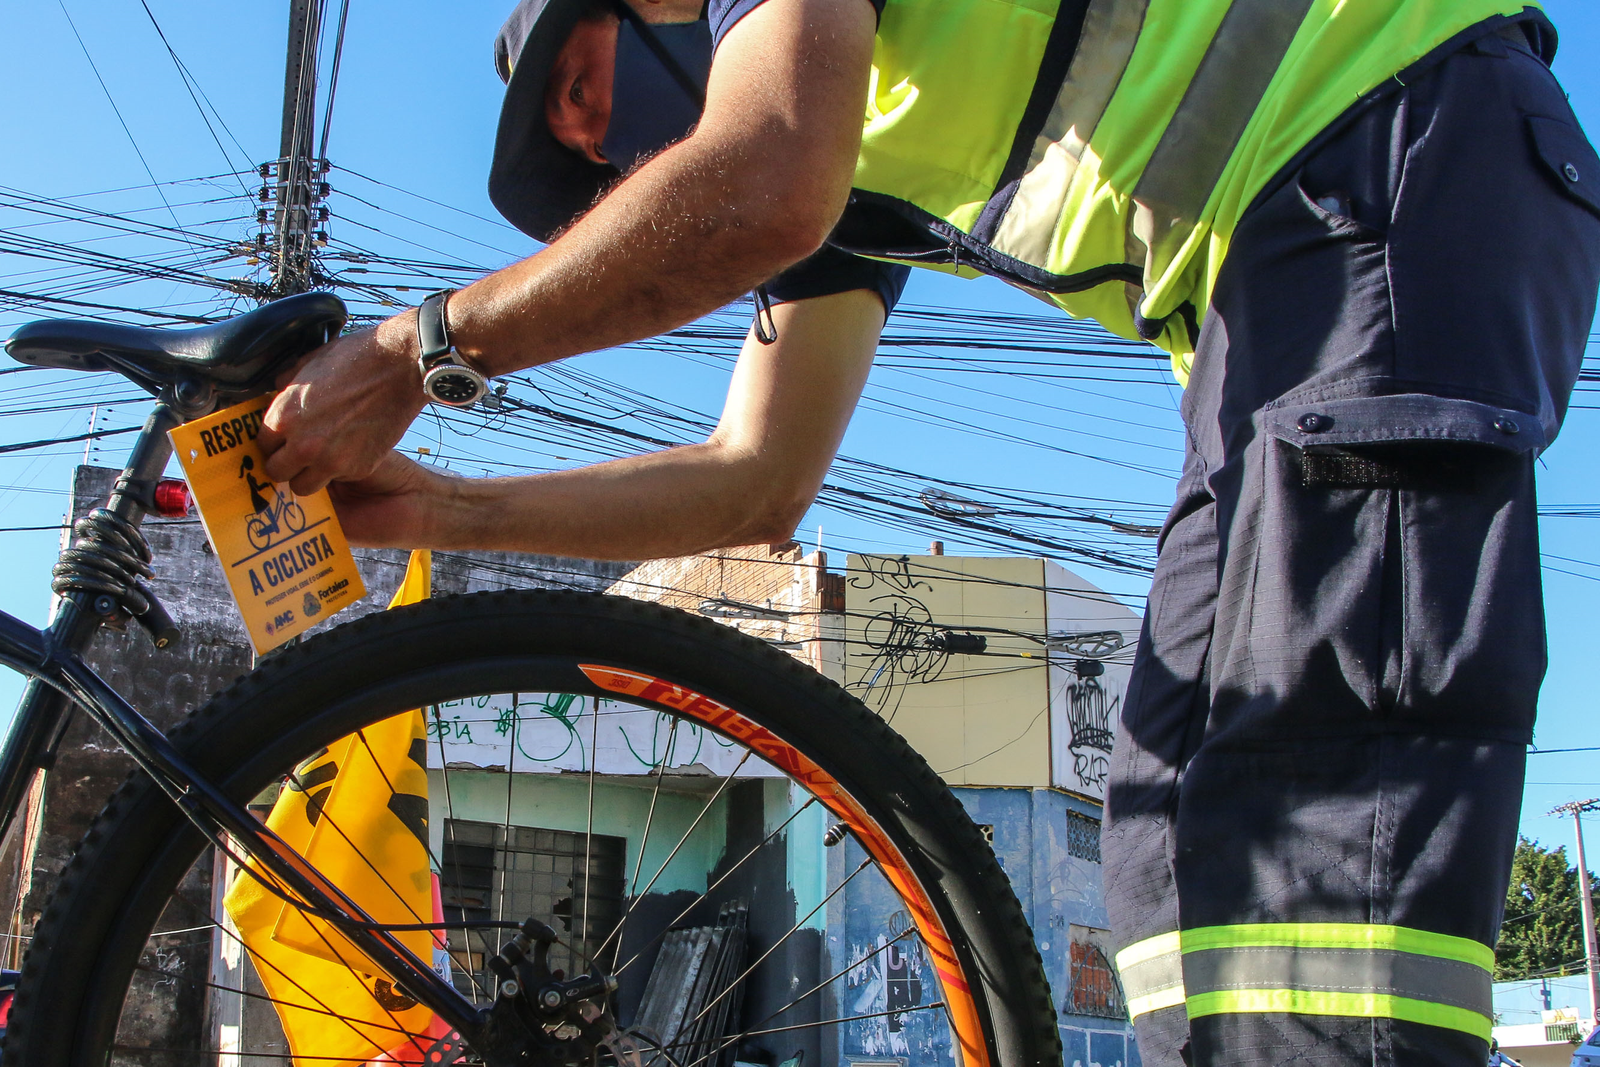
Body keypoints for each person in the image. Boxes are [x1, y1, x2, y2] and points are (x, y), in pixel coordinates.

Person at [256, 0, 1600, 1063]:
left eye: (581, 83)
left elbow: (762, 173)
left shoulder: (790, 124)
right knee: (1168, 834)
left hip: (1395, 141)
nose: (605, 141)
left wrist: (415, 350)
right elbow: (752, 478)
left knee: (1322, 798)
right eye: (588, 153)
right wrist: (440, 507)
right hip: (1268, 296)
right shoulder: (854, 158)